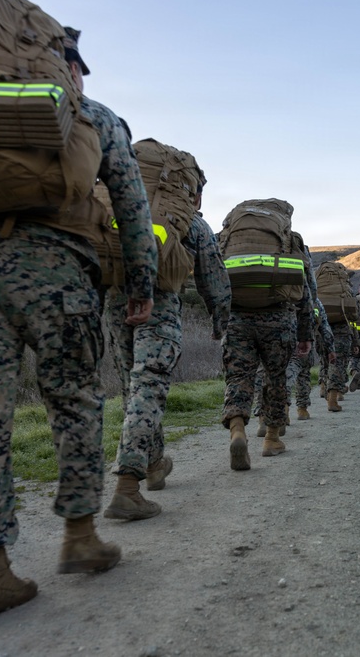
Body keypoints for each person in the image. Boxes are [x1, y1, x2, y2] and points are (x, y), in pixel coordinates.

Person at [0, 24, 157, 619]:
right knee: (74, 400)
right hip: (52, 268)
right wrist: (141, 284)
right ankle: (80, 536)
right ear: (68, 65)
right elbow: (131, 204)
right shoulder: (88, 112)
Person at [103, 146, 230, 521]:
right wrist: (221, 322)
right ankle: (127, 486)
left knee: (133, 388)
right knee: (149, 387)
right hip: (160, 309)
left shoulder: (112, 210)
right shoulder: (190, 221)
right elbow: (215, 281)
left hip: (114, 306)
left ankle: (154, 464)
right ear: (194, 192)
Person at [220, 199, 313, 468]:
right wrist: (306, 333)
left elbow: (211, 278)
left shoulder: (225, 238)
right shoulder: (292, 240)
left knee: (238, 376)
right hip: (279, 318)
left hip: (236, 318)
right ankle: (272, 439)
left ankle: (237, 429)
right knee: (276, 377)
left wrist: (218, 321)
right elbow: (306, 291)